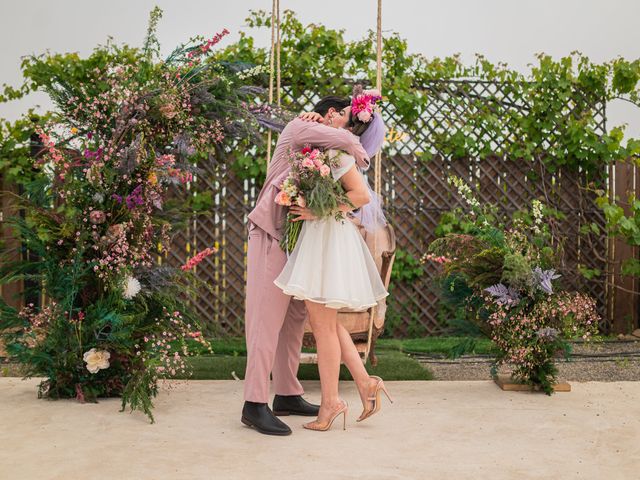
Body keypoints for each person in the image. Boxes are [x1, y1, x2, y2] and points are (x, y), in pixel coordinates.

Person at [242, 96, 371, 436]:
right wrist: (357, 149)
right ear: (330, 113)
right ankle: (254, 404)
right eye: (346, 117)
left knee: (294, 321)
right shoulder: (300, 126)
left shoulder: (321, 149)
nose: (350, 125)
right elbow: (344, 139)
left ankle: (287, 393)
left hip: (300, 242)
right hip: (272, 233)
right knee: (265, 320)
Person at [274, 88, 393, 431]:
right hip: (323, 237)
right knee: (327, 322)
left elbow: (360, 196)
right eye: (329, 112)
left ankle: (330, 404)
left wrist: (315, 209)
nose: (331, 116)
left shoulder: (339, 155)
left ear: (350, 124)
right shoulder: (324, 148)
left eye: (341, 114)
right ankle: (365, 383)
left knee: (323, 326)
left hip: (327, 238)